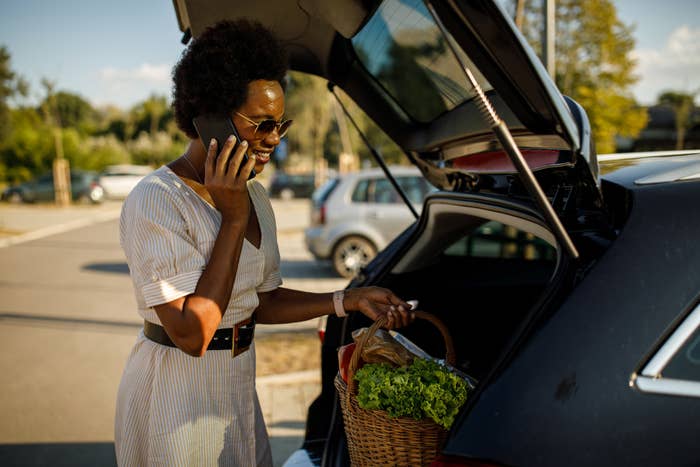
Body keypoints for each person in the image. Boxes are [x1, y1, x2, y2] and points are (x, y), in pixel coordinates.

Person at [114, 19, 413, 466]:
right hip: (176, 395)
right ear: (210, 115)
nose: (274, 139)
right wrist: (232, 220)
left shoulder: (254, 194)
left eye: (281, 125)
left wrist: (346, 300)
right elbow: (192, 334)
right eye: (262, 125)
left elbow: (260, 300)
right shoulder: (157, 202)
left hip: (235, 383)